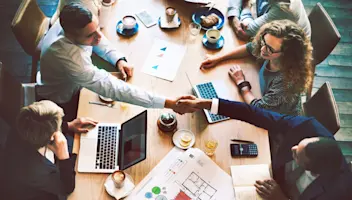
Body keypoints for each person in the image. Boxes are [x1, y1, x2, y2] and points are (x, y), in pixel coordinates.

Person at [37, 3, 196, 121]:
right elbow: (111, 87)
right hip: (64, 98)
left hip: (76, 80)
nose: (99, 37)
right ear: (71, 35)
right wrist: (168, 103)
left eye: (97, 28)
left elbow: (96, 38)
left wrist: (118, 58)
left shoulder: (70, 21)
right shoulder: (68, 56)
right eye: (90, 35)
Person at [178, 97, 352, 200]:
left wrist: (281, 198)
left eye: (297, 156)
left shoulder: (338, 191)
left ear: (312, 170)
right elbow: (258, 114)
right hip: (267, 176)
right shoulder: (308, 127)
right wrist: (208, 104)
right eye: (299, 145)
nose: (292, 148)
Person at [200, 20, 313, 116]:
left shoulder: (286, 82)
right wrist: (218, 58)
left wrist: (241, 83)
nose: (262, 49)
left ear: (287, 54)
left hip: (278, 124)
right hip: (262, 96)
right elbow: (250, 48)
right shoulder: (269, 48)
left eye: (269, 48)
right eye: (263, 41)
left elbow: (259, 109)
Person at [2, 100, 98, 200]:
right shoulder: (36, 171)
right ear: (52, 136)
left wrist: (69, 126)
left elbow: (41, 124)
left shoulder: (24, 121)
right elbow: (66, 188)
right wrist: (63, 157)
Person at [228, 0, 311, 40]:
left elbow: (245, 32)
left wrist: (245, 6)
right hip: (267, 30)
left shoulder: (284, 9)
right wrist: (234, 15)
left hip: (288, 51)